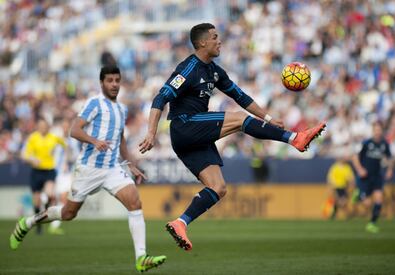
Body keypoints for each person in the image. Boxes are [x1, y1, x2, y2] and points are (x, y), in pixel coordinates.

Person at [139, 23, 326, 251]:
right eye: (215, 37)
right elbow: (161, 98)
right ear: (202, 43)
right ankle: (294, 138)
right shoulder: (187, 68)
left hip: (193, 138)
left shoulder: (215, 71)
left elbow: (240, 95)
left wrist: (267, 117)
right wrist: (151, 132)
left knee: (218, 188)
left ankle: (180, 223)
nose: (220, 41)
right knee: (238, 119)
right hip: (184, 125)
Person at [10, 66, 166, 272]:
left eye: (117, 80)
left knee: (135, 202)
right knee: (68, 214)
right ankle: (28, 223)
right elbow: (75, 130)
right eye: (110, 80)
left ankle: (141, 257)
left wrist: (130, 165)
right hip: (89, 168)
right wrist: (94, 141)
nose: (114, 84)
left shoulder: (122, 109)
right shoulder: (94, 103)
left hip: (111, 169)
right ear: (102, 83)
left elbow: (121, 140)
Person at [21, 118, 66, 234]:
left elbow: (66, 146)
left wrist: (63, 158)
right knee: (36, 200)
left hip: (49, 170)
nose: (43, 128)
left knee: (49, 194)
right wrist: (32, 160)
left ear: (48, 127)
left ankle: (46, 214)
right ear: (38, 126)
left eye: (45, 126)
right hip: (36, 171)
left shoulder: (53, 137)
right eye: (41, 125)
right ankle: (38, 224)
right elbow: (25, 155)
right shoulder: (33, 138)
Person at [352, 121, 393, 233]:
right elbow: (355, 157)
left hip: (377, 176)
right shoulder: (366, 143)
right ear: (373, 131)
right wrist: (360, 169)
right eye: (376, 130)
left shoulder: (384, 144)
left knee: (379, 199)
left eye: (379, 130)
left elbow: (389, 158)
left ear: (382, 131)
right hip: (365, 177)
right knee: (367, 203)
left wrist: (390, 170)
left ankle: (372, 223)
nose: (378, 132)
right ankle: (359, 194)